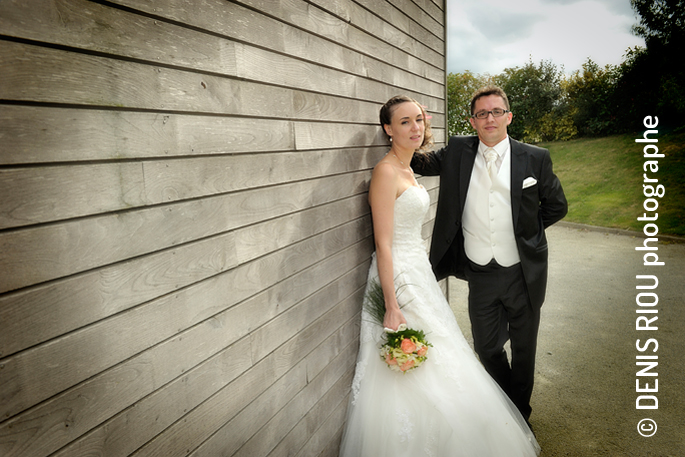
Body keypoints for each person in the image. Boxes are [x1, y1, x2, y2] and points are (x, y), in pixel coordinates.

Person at [339, 95, 540, 456]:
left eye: (418, 119)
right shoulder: (386, 172)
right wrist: (390, 304)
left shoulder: (407, 169)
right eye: (404, 122)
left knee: (439, 355)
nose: (415, 128)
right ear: (387, 128)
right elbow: (383, 245)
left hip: (419, 273)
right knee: (412, 364)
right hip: (398, 279)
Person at [410, 85, 568, 424]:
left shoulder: (535, 157)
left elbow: (557, 206)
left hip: (523, 273)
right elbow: (415, 162)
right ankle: (505, 403)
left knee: (524, 351)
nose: (490, 118)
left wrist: (525, 233)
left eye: (496, 111)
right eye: (482, 113)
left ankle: (519, 416)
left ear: (508, 116)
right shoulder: (457, 151)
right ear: (472, 121)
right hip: (480, 271)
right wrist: (418, 124)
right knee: (486, 348)